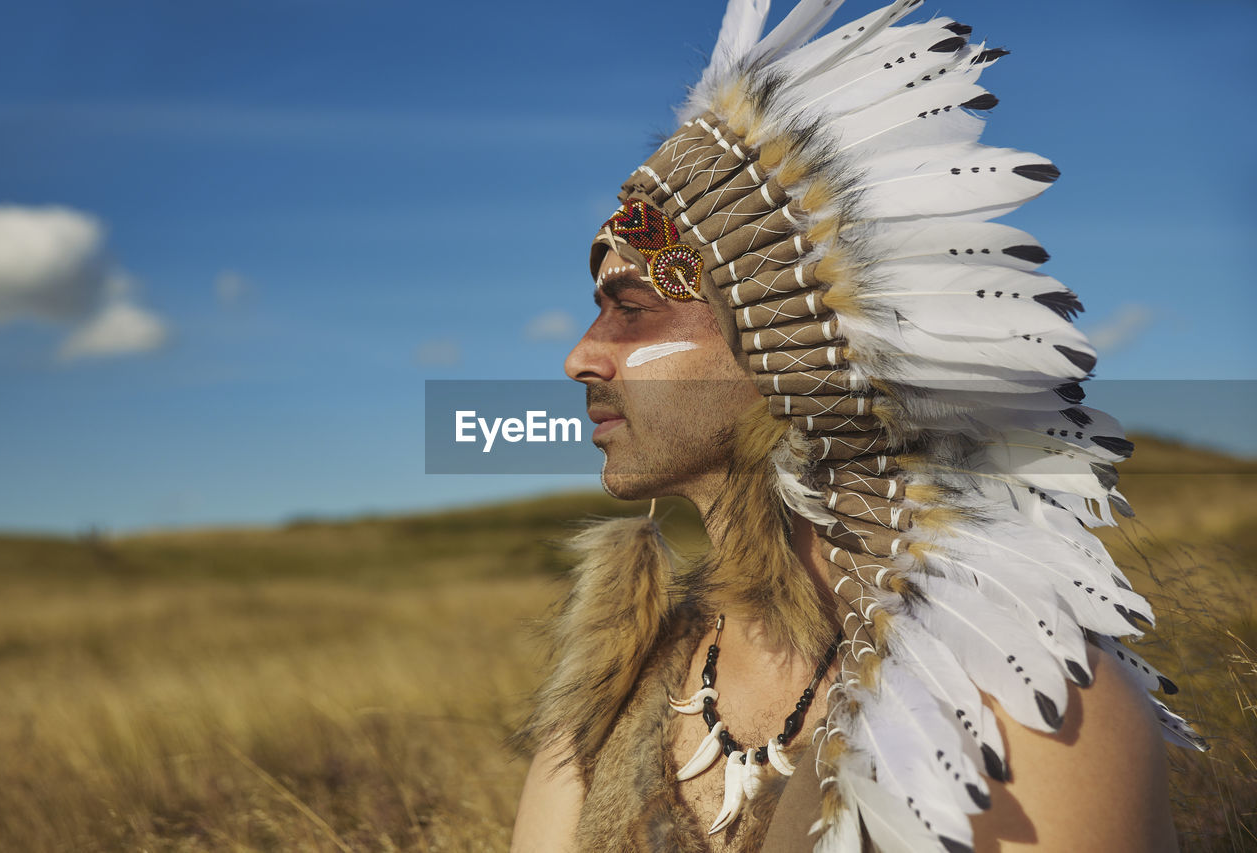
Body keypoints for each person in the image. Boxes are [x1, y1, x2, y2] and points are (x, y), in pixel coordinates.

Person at [511, 1, 1204, 850]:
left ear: (786, 344)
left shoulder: (1016, 708)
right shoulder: (612, 693)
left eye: (634, 310)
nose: (581, 357)